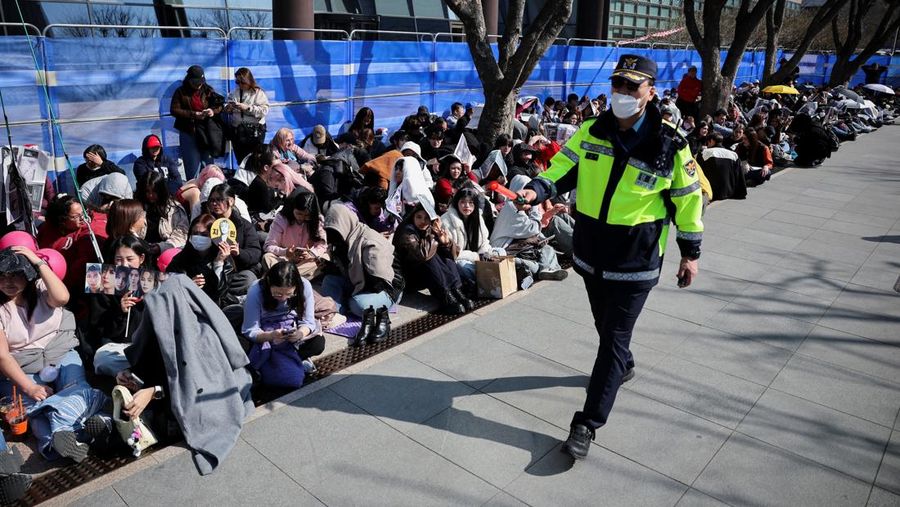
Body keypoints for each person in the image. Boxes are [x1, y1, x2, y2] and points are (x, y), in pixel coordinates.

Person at [517, 54, 703, 461]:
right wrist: (537, 189)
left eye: (631, 87)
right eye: (617, 84)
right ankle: (624, 362)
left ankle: (587, 422)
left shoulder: (670, 143)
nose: (621, 93)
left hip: (635, 261)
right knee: (606, 326)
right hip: (590, 252)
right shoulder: (591, 130)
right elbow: (564, 168)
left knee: (613, 339)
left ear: (650, 92)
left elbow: (687, 202)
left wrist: (690, 253)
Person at [0, 247, 110, 464]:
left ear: (29, 274)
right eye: (2, 276)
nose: (7, 282)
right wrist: (29, 387)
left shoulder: (42, 288)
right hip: (23, 367)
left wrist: (37, 261)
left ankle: (57, 437)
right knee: (32, 406)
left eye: (15, 274)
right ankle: (87, 428)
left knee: (74, 387)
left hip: (60, 352)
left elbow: (62, 297)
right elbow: (3, 357)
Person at [321, 205, 404, 346]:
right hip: (358, 282)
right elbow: (338, 272)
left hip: (386, 287)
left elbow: (380, 281)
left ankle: (380, 317)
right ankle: (334, 311)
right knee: (329, 281)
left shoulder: (369, 241)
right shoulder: (342, 239)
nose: (333, 236)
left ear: (345, 224)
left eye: (335, 231)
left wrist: (353, 292)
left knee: (358, 305)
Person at [241, 261, 325, 376]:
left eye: (289, 294)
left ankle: (281, 360)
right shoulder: (256, 290)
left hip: (291, 327)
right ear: (269, 284)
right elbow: (250, 329)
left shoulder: (304, 285)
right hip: (265, 328)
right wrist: (271, 335)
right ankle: (288, 359)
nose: (283, 298)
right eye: (277, 294)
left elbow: (308, 322)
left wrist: (300, 334)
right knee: (243, 345)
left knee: (318, 343)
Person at [85, 235, 153, 376]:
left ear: (141, 259)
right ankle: (135, 374)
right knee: (102, 359)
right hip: (119, 346)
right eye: (119, 259)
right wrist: (120, 312)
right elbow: (100, 328)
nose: (124, 265)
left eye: (130, 259)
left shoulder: (152, 282)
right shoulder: (103, 282)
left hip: (147, 346)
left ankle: (134, 374)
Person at [393, 202, 473, 316]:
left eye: (426, 218)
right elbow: (422, 255)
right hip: (408, 277)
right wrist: (433, 236)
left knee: (446, 256)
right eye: (419, 217)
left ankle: (456, 291)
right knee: (431, 256)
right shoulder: (406, 230)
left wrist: (445, 242)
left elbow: (454, 255)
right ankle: (445, 296)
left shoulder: (430, 227)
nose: (423, 221)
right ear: (413, 217)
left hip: (426, 274)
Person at [166, 213, 235, 306]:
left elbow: (221, 292)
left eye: (204, 234)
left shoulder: (225, 259)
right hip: (187, 305)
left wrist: (218, 263)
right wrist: (189, 285)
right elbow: (169, 286)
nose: (198, 237)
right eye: (195, 233)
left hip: (216, 307)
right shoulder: (181, 259)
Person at [206, 183, 262, 298]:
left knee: (248, 279)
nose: (214, 204)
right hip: (212, 268)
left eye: (219, 200)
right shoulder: (205, 223)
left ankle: (223, 292)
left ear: (231, 201)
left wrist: (239, 252)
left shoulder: (244, 225)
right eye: (211, 200)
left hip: (236, 273)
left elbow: (255, 253)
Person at [169, 65, 223, 180]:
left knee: (209, 166)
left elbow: (219, 106)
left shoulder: (207, 90)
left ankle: (210, 190)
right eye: (196, 82)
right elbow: (174, 110)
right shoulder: (181, 92)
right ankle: (194, 193)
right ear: (189, 80)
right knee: (192, 167)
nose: (199, 85)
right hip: (189, 132)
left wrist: (212, 111)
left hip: (206, 132)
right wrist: (193, 114)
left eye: (201, 82)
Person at [263, 191, 329, 279]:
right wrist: (286, 252)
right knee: (267, 257)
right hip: (284, 259)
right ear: (293, 208)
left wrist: (310, 253)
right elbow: (269, 246)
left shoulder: (318, 221)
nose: (302, 218)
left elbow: (322, 245)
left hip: (306, 261)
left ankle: (284, 276)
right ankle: (293, 277)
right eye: (299, 214)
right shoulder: (281, 219)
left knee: (326, 257)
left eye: (307, 216)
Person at [440, 186, 492, 284]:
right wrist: (476, 256)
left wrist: (483, 254)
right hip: (458, 260)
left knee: (500, 252)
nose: (467, 206)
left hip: (478, 257)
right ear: (457, 203)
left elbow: (485, 241)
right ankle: (487, 279)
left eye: (471, 203)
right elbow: (452, 252)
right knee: (464, 267)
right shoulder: (446, 221)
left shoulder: (478, 218)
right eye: (463, 202)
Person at [134, 171, 189, 255]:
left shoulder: (174, 209)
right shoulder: (136, 207)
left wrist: (162, 247)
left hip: (166, 252)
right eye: (147, 191)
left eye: (154, 192)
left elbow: (181, 234)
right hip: (139, 250)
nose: (150, 195)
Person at [224, 67, 269, 165]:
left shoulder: (258, 93)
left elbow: (264, 110)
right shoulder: (234, 92)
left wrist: (248, 108)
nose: (240, 85)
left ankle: (254, 179)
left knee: (254, 160)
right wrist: (229, 108)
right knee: (241, 161)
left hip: (254, 132)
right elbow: (226, 106)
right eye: (237, 82)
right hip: (238, 132)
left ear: (249, 80)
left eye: (242, 82)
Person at [698, 132, 746, 201]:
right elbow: (739, 176)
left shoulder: (704, 153)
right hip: (729, 192)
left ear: (711, 141)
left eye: (707, 143)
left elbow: (699, 173)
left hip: (711, 192)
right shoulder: (733, 154)